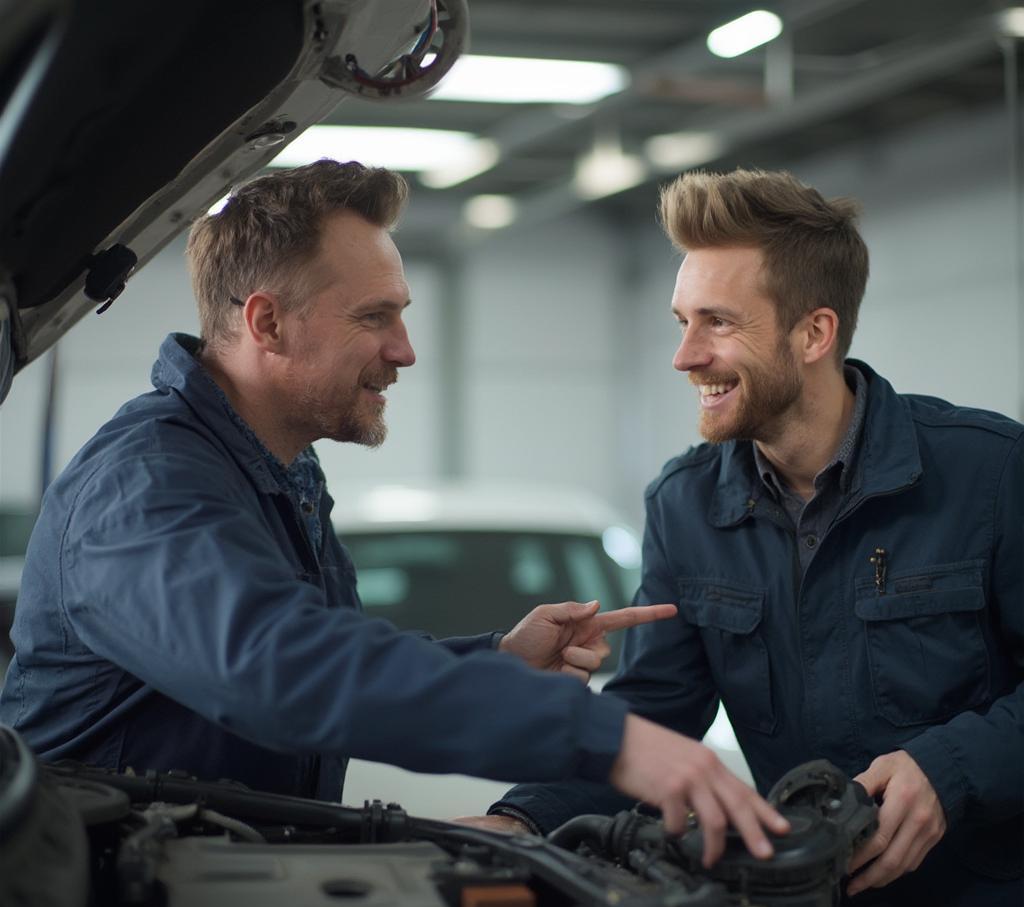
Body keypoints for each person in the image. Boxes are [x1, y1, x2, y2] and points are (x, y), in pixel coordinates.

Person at [0, 159, 789, 866]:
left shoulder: (274, 468)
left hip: (211, 892)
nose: (405, 349)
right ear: (266, 322)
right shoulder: (145, 486)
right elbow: (284, 668)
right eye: (374, 316)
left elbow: (328, 652)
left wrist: (495, 663)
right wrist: (607, 738)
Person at [480, 169, 1023, 907]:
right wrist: (520, 822)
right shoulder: (688, 505)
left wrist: (950, 769)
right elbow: (655, 719)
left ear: (814, 332)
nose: (684, 355)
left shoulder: (988, 474)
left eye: (717, 323)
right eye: (682, 321)